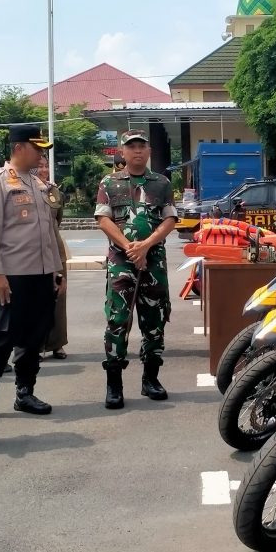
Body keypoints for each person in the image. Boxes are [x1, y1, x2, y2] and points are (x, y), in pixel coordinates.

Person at [0, 126, 62, 422]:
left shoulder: (39, 184)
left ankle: (24, 392)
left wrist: (55, 270)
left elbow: (49, 232)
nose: (42, 153)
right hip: (12, 276)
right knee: (1, 338)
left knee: (33, 337)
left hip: (40, 273)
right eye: (37, 147)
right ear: (18, 148)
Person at [94, 129, 177, 410]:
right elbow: (103, 220)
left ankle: (150, 379)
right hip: (121, 263)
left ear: (149, 151)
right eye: (132, 147)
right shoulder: (110, 182)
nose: (137, 151)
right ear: (123, 152)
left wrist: (146, 246)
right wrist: (131, 248)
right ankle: (114, 385)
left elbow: (169, 219)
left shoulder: (162, 183)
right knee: (117, 321)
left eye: (142, 146)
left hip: (154, 261)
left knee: (154, 321)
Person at [34, 154, 69, 360]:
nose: (43, 170)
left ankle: (57, 344)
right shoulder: (26, 190)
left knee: (59, 298)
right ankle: (36, 345)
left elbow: (58, 219)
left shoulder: (54, 191)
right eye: (39, 166)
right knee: (36, 300)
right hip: (33, 252)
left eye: (46, 166)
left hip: (55, 249)